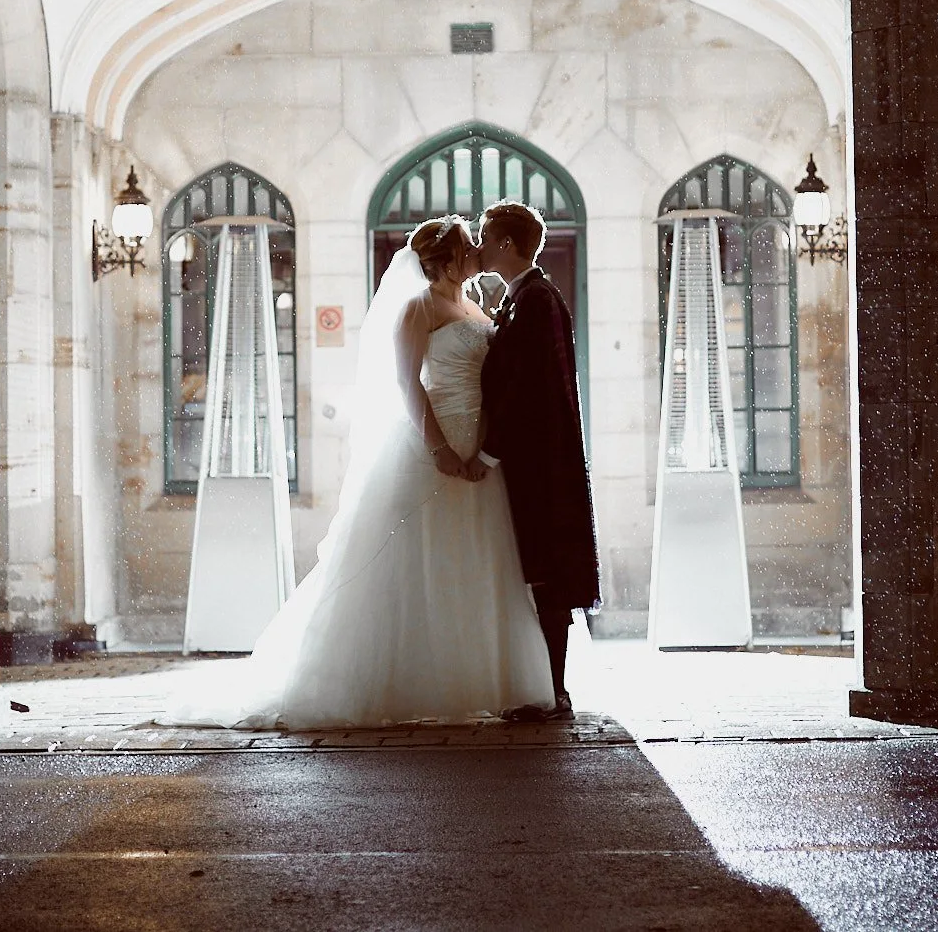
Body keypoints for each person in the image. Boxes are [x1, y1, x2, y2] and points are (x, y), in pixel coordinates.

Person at [154, 216, 554, 728]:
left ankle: (483, 677)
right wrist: (438, 449)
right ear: (447, 258)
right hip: (438, 447)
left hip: (480, 449)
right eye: (466, 246)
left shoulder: (476, 306)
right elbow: (408, 385)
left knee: (475, 561)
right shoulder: (419, 308)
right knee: (415, 563)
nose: (477, 251)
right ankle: (400, 679)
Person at [472, 200, 602, 720]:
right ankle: (548, 688)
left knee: (547, 576)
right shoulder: (522, 297)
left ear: (507, 244)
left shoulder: (535, 300)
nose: (480, 245)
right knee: (540, 575)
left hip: (541, 468)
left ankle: (554, 692)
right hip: (535, 463)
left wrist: (488, 450)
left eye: (486, 236)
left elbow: (525, 390)